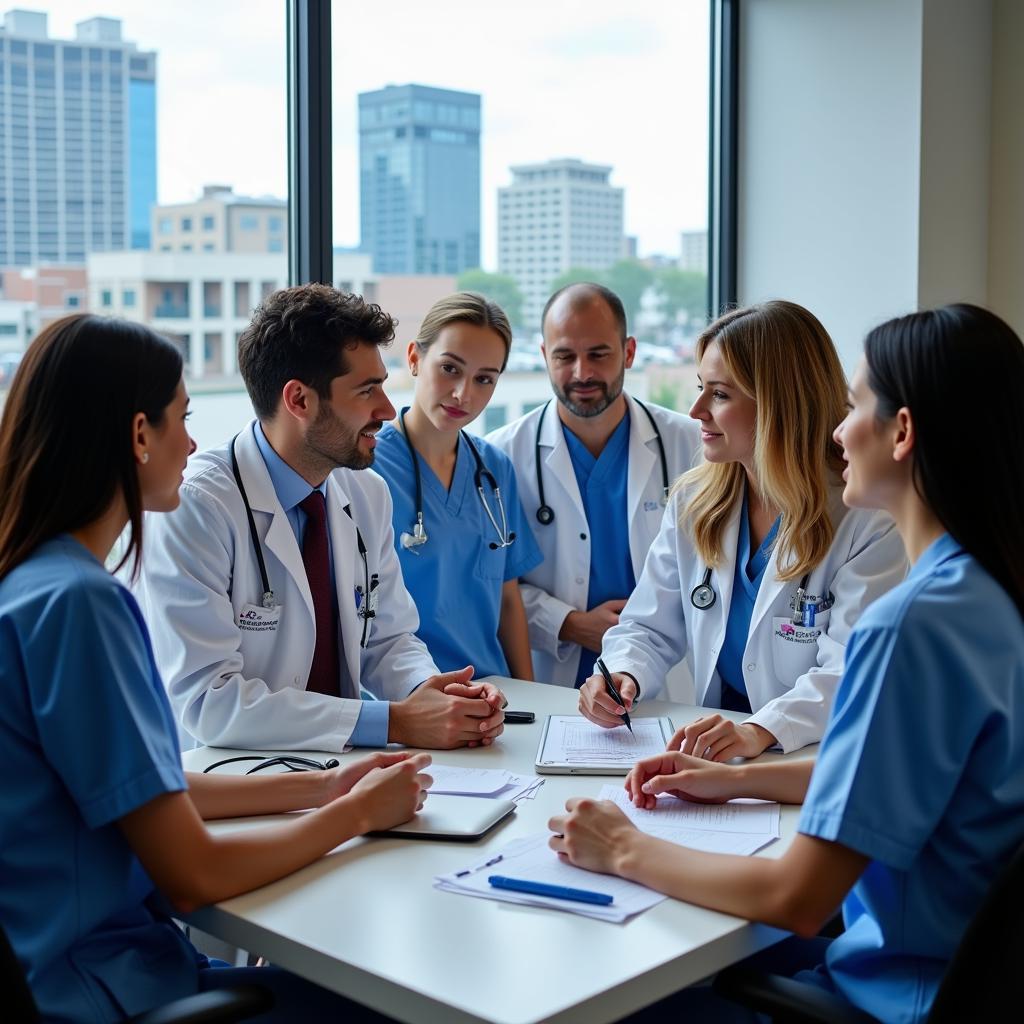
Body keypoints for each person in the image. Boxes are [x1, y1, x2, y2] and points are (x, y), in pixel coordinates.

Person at [551, 303, 1024, 1024]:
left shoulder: (910, 625)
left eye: (856, 405)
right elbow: (900, 769)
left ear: (902, 432)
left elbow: (797, 899)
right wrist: (733, 780)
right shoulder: (986, 591)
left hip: (895, 991)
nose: (838, 429)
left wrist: (621, 846)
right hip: (948, 963)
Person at [0, 314, 434, 1023]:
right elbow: (191, 874)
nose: (194, 442)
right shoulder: (82, 606)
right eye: (183, 417)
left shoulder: (35, 580)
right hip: (106, 990)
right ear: (139, 436)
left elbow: (152, 790)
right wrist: (357, 813)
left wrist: (326, 788)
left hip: (93, 965)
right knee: (403, 1000)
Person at [137, 284, 505, 752]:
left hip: (342, 772)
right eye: (366, 391)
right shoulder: (198, 507)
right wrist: (394, 723)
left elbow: (389, 639)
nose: (387, 410)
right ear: (300, 401)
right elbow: (210, 702)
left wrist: (432, 696)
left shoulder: (365, 492)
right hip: (236, 781)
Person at [579, 300, 906, 757]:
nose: (695, 411)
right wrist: (621, 675)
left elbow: (850, 671)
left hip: (809, 752)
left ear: (779, 403)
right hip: (715, 745)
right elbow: (649, 626)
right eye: (700, 389)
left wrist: (761, 730)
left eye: (719, 394)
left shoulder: (866, 518)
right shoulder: (696, 501)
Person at [487, 282, 701, 688]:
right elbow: (494, 586)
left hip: (667, 676)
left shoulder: (690, 444)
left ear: (629, 352)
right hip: (556, 675)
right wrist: (566, 623)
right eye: (565, 356)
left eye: (599, 354)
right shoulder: (502, 455)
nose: (582, 373)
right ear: (545, 357)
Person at [372, 293, 542, 682]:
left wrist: (532, 695)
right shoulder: (366, 470)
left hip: (493, 694)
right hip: (406, 696)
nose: (464, 394)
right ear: (414, 358)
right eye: (450, 368)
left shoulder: (494, 470)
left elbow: (508, 598)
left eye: (484, 379)